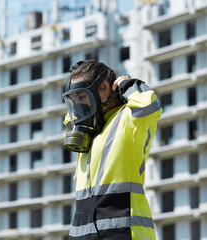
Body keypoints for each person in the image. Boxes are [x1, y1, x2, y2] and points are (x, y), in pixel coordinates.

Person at [62, 60, 162, 239]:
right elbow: (70, 117)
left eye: (82, 97)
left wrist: (127, 85)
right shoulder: (90, 131)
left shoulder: (128, 120)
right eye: (73, 100)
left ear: (105, 87)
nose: (78, 106)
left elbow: (147, 106)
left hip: (125, 233)